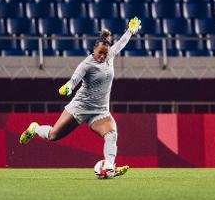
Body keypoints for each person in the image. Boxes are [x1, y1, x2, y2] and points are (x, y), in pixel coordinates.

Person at [19, 17, 142, 178]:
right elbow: (75, 79)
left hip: (100, 111)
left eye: (105, 54)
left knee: (112, 134)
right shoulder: (87, 64)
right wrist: (68, 88)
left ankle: (109, 167)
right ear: (94, 50)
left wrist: (130, 31)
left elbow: (121, 43)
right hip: (80, 108)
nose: (103, 56)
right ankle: (35, 128)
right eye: (100, 53)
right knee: (53, 135)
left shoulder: (110, 56)